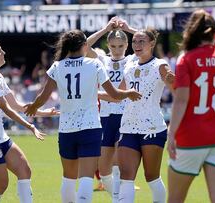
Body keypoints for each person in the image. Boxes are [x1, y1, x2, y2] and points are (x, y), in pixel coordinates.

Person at [24, 29, 141, 203]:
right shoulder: (94, 64)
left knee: (68, 179)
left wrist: (33, 107)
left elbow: (43, 96)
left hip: (66, 129)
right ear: (84, 45)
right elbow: (115, 95)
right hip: (90, 127)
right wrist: (129, 92)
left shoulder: (58, 65)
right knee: (86, 177)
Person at [0, 39, 56, 203]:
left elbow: (16, 105)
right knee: (1, 185)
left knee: (24, 170)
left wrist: (42, 112)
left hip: (0, 137)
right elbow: (7, 109)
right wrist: (30, 126)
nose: (3, 53)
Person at [167, 9, 215, 203]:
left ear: (191, 33)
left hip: (191, 135)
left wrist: (171, 132)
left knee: (175, 199)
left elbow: (182, 99)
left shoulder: (187, 59)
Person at [110, 25, 174, 203]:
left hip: (152, 128)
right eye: (134, 41)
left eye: (142, 41)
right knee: (126, 176)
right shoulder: (130, 64)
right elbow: (117, 95)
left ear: (152, 43)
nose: (137, 45)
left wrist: (174, 80)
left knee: (151, 177)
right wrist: (94, 93)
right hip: (128, 127)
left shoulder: (160, 65)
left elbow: (177, 88)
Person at [86, 17, 138, 202]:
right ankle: (117, 196)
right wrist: (104, 29)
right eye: (113, 46)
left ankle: (120, 199)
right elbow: (84, 46)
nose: (116, 50)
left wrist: (130, 29)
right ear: (108, 44)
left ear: (126, 46)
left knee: (118, 163)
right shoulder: (101, 60)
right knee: (103, 168)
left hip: (125, 114)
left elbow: (148, 42)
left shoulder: (132, 59)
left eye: (120, 46)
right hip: (105, 116)